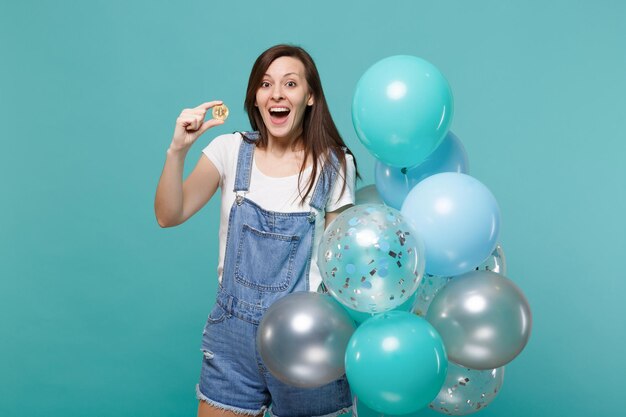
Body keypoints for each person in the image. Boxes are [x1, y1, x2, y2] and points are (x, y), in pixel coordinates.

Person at [154, 44, 358, 417]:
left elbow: (343, 268)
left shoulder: (334, 164)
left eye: (290, 83)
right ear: (256, 96)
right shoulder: (230, 150)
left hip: (306, 339)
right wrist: (177, 150)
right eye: (266, 84)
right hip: (233, 338)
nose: (276, 93)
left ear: (310, 96)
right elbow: (169, 214)